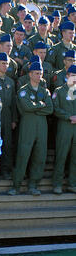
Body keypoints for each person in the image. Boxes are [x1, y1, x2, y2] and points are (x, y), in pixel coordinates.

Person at [8, 61, 53, 196]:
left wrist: (35, 107)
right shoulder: (23, 91)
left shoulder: (45, 91)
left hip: (42, 127)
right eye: (36, 73)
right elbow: (26, 107)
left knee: (39, 156)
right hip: (27, 127)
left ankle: (33, 185)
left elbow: (50, 109)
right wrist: (40, 105)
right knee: (23, 155)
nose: (39, 76)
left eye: (40, 73)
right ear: (30, 74)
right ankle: (16, 186)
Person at [52, 64, 76, 194]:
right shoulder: (59, 91)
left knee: (75, 157)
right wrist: (68, 117)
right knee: (61, 155)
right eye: (72, 76)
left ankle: (72, 183)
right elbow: (55, 109)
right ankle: (57, 184)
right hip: (64, 126)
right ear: (67, 76)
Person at [0, 52, 17, 179]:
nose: (5, 66)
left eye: (6, 64)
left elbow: (13, 101)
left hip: (7, 115)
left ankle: (5, 171)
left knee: (7, 144)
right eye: (2, 63)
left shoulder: (10, 81)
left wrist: (14, 119)